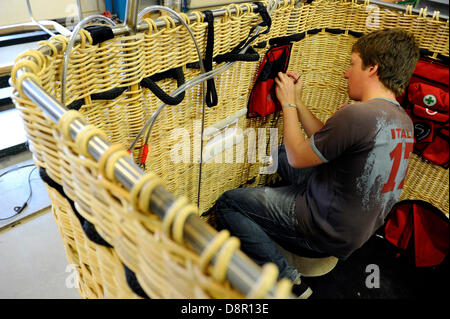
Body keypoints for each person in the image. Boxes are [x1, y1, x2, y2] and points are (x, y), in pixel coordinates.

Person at [214, 28, 419, 298]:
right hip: (355, 229)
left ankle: (288, 281)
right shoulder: (401, 121)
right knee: (281, 156)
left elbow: (300, 156)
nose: (347, 73)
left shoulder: (358, 114)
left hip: (324, 228)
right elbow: (325, 139)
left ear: (373, 69)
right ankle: (287, 210)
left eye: (352, 64)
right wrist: (297, 101)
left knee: (229, 203)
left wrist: (287, 104)